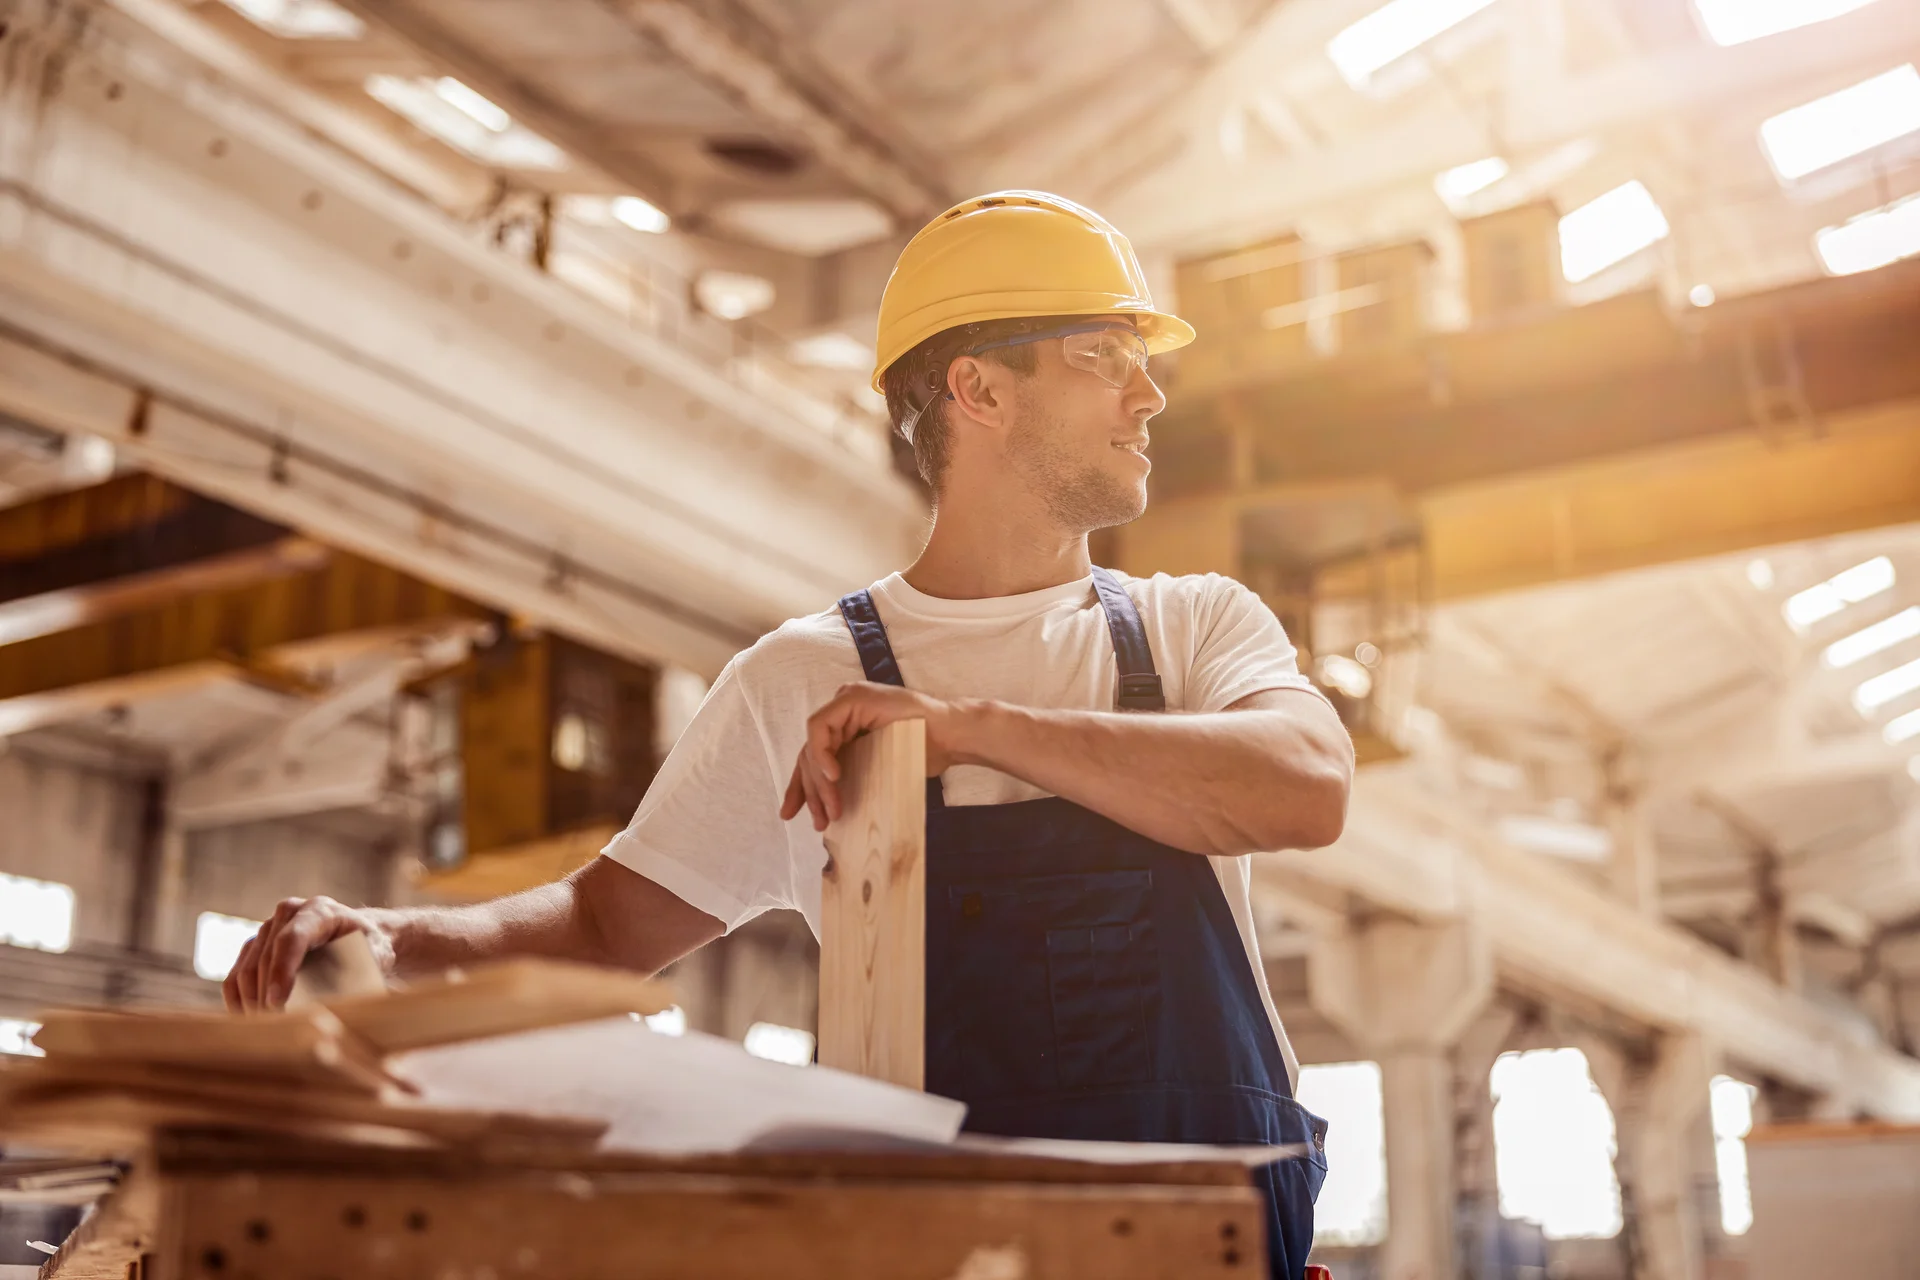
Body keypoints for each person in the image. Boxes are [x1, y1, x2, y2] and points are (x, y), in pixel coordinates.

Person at [226, 190, 1353, 1280]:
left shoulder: (1192, 626)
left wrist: (968, 729)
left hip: (1208, 1243)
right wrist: (386, 933)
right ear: (979, 387)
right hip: (935, 1251)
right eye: (1102, 356)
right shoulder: (805, 677)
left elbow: (1305, 787)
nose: (1148, 395)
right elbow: (608, 919)